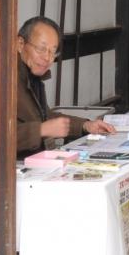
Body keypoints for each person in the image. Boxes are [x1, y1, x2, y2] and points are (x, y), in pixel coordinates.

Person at [16, 16, 114, 157]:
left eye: (53, 52)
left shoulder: (32, 76)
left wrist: (85, 125)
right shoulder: (2, 80)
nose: (47, 58)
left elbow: (44, 116)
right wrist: (40, 130)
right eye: (41, 49)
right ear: (20, 44)